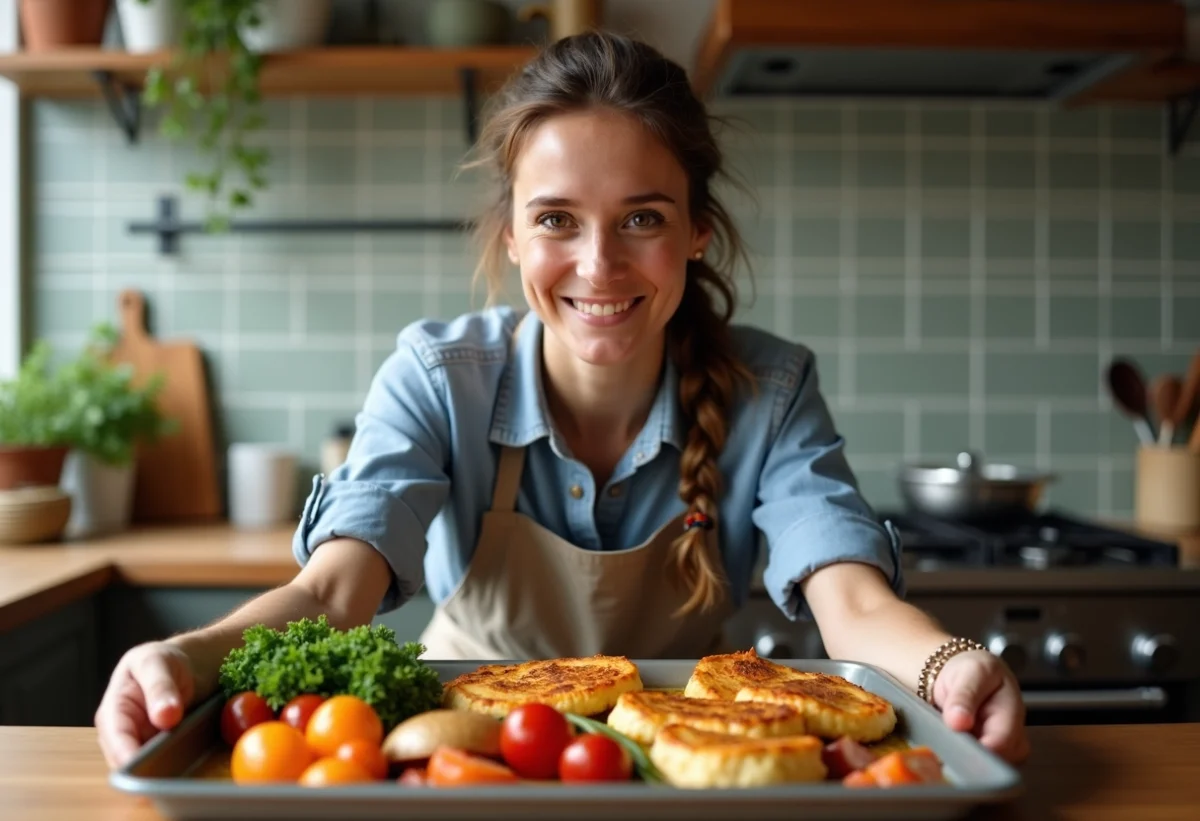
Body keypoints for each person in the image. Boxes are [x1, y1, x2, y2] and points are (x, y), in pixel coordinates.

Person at [95, 31, 1029, 769]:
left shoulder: (768, 392)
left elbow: (852, 605)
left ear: (698, 230)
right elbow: (335, 588)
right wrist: (184, 658)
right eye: (556, 219)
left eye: (642, 219)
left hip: (684, 762)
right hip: (472, 759)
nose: (598, 264)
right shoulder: (438, 377)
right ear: (510, 232)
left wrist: (955, 667)